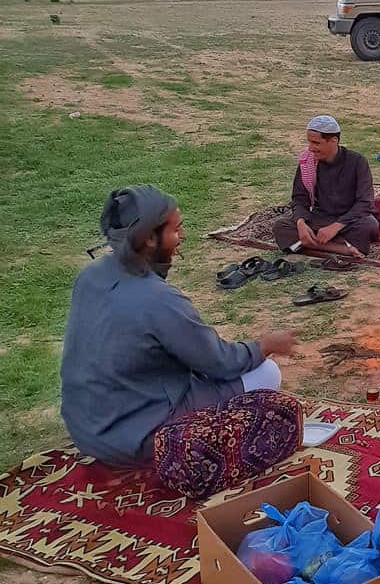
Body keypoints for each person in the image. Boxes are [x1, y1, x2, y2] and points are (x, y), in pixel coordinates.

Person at [61, 186, 297, 466]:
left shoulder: (89, 275)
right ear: (149, 238)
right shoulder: (157, 299)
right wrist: (264, 345)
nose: (181, 237)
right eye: (176, 230)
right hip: (137, 439)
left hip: (87, 432)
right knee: (266, 372)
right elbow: (220, 363)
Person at [272, 114, 380, 257]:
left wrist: (335, 227)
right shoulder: (308, 161)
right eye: (309, 142)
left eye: (316, 143)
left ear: (333, 140)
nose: (310, 148)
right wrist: (301, 224)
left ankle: (309, 244)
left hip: (350, 220)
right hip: (321, 217)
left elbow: (365, 203)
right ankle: (342, 248)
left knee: (369, 226)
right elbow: (299, 198)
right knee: (280, 227)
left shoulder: (357, 161)